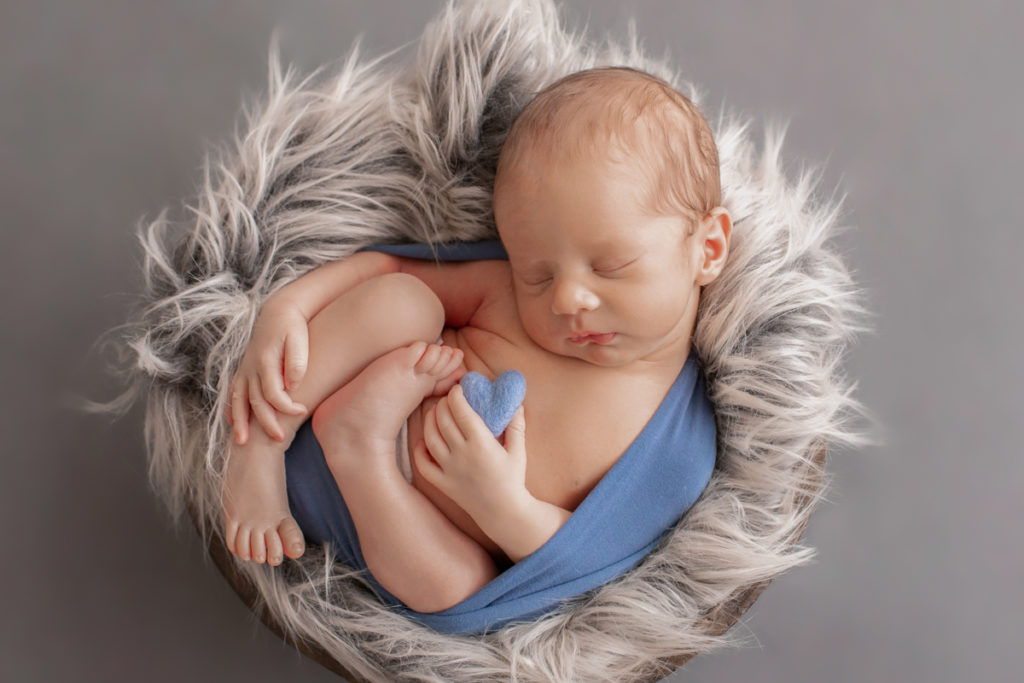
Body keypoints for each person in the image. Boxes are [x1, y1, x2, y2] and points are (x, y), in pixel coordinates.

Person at [221, 66, 732, 614]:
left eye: (610, 265)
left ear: (707, 248)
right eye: (538, 273)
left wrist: (503, 507)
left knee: (458, 585)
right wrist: (289, 307)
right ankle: (259, 446)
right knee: (405, 299)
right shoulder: (507, 296)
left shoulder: (681, 444)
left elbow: (587, 560)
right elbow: (388, 264)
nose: (567, 299)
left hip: (394, 515)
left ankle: (358, 448)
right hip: (351, 379)